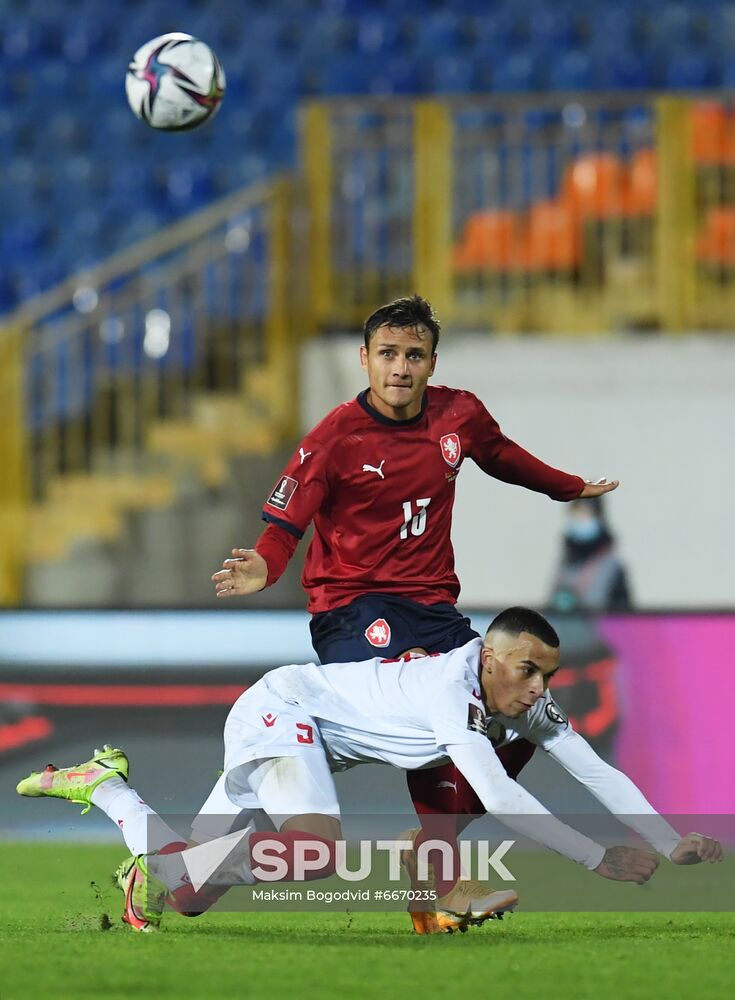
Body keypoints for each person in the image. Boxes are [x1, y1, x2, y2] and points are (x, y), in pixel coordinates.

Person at [208, 293, 622, 932]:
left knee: (514, 711)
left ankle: (429, 865)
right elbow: (283, 525)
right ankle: (441, 878)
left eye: (413, 355)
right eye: (387, 354)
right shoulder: (333, 439)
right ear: (365, 359)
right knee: (441, 714)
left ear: (431, 362)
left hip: (433, 605)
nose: (399, 368)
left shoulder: (459, 414)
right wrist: (265, 566)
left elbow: (502, 454)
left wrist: (566, 486)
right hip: (353, 607)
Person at [17, 607, 723, 935]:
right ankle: (155, 860)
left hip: (302, 737)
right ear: (487, 658)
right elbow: (499, 794)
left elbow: (595, 771)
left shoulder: (519, 698)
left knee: (186, 893)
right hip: (282, 708)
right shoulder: (453, 691)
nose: (539, 686)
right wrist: (595, 857)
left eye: (548, 673)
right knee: (316, 851)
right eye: (526, 669)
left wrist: (666, 841)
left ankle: (103, 784)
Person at [550, 495, 633, 612]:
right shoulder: (566, 563)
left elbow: (623, 615)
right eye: (575, 514)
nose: (579, 520)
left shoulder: (612, 567)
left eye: (585, 514)